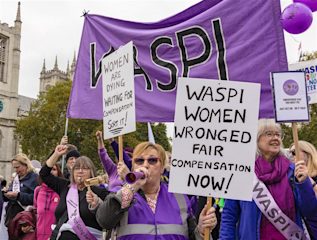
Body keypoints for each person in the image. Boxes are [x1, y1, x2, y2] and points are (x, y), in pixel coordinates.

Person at [96, 141, 217, 239]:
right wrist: (132, 186)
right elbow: (104, 220)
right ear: (133, 167)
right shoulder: (122, 194)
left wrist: (201, 231)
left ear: (162, 168)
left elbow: (191, 236)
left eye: (152, 160)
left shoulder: (179, 197)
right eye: (139, 161)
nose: (145, 165)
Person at [220, 119, 317, 240]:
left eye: (278, 134)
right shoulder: (242, 172)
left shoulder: (292, 171)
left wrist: (303, 183)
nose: (275, 138)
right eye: (269, 134)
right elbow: (229, 215)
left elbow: (310, 211)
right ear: (256, 139)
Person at [39, 144, 109, 240]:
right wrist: (56, 154)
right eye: (77, 168)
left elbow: (110, 214)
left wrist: (97, 204)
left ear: (91, 172)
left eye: (85, 168)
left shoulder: (99, 192)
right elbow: (44, 174)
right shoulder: (65, 186)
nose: (80, 171)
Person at [3, 153, 38, 239]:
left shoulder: (35, 178)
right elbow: (10, 195)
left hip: (25, 219)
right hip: (12, 218)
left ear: (25, 165)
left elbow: (35, 198)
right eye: (14, 167)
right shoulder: (16, 179)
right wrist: (5, 193)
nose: (16, 170)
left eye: (17, 167)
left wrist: (19, 195)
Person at [289, 140, 317, 239]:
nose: (291, 156)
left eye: (293, 152)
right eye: (289, 153)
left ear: (307, 154)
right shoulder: (292, 178)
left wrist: (307, 181)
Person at [34, 163, 63, 240]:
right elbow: (35, 212)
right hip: (39, 236)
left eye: (54, 169)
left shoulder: (62, 191)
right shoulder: (38, 190)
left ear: (58, 172)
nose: (51, 172)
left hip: (56, 236)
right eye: (49, 169)